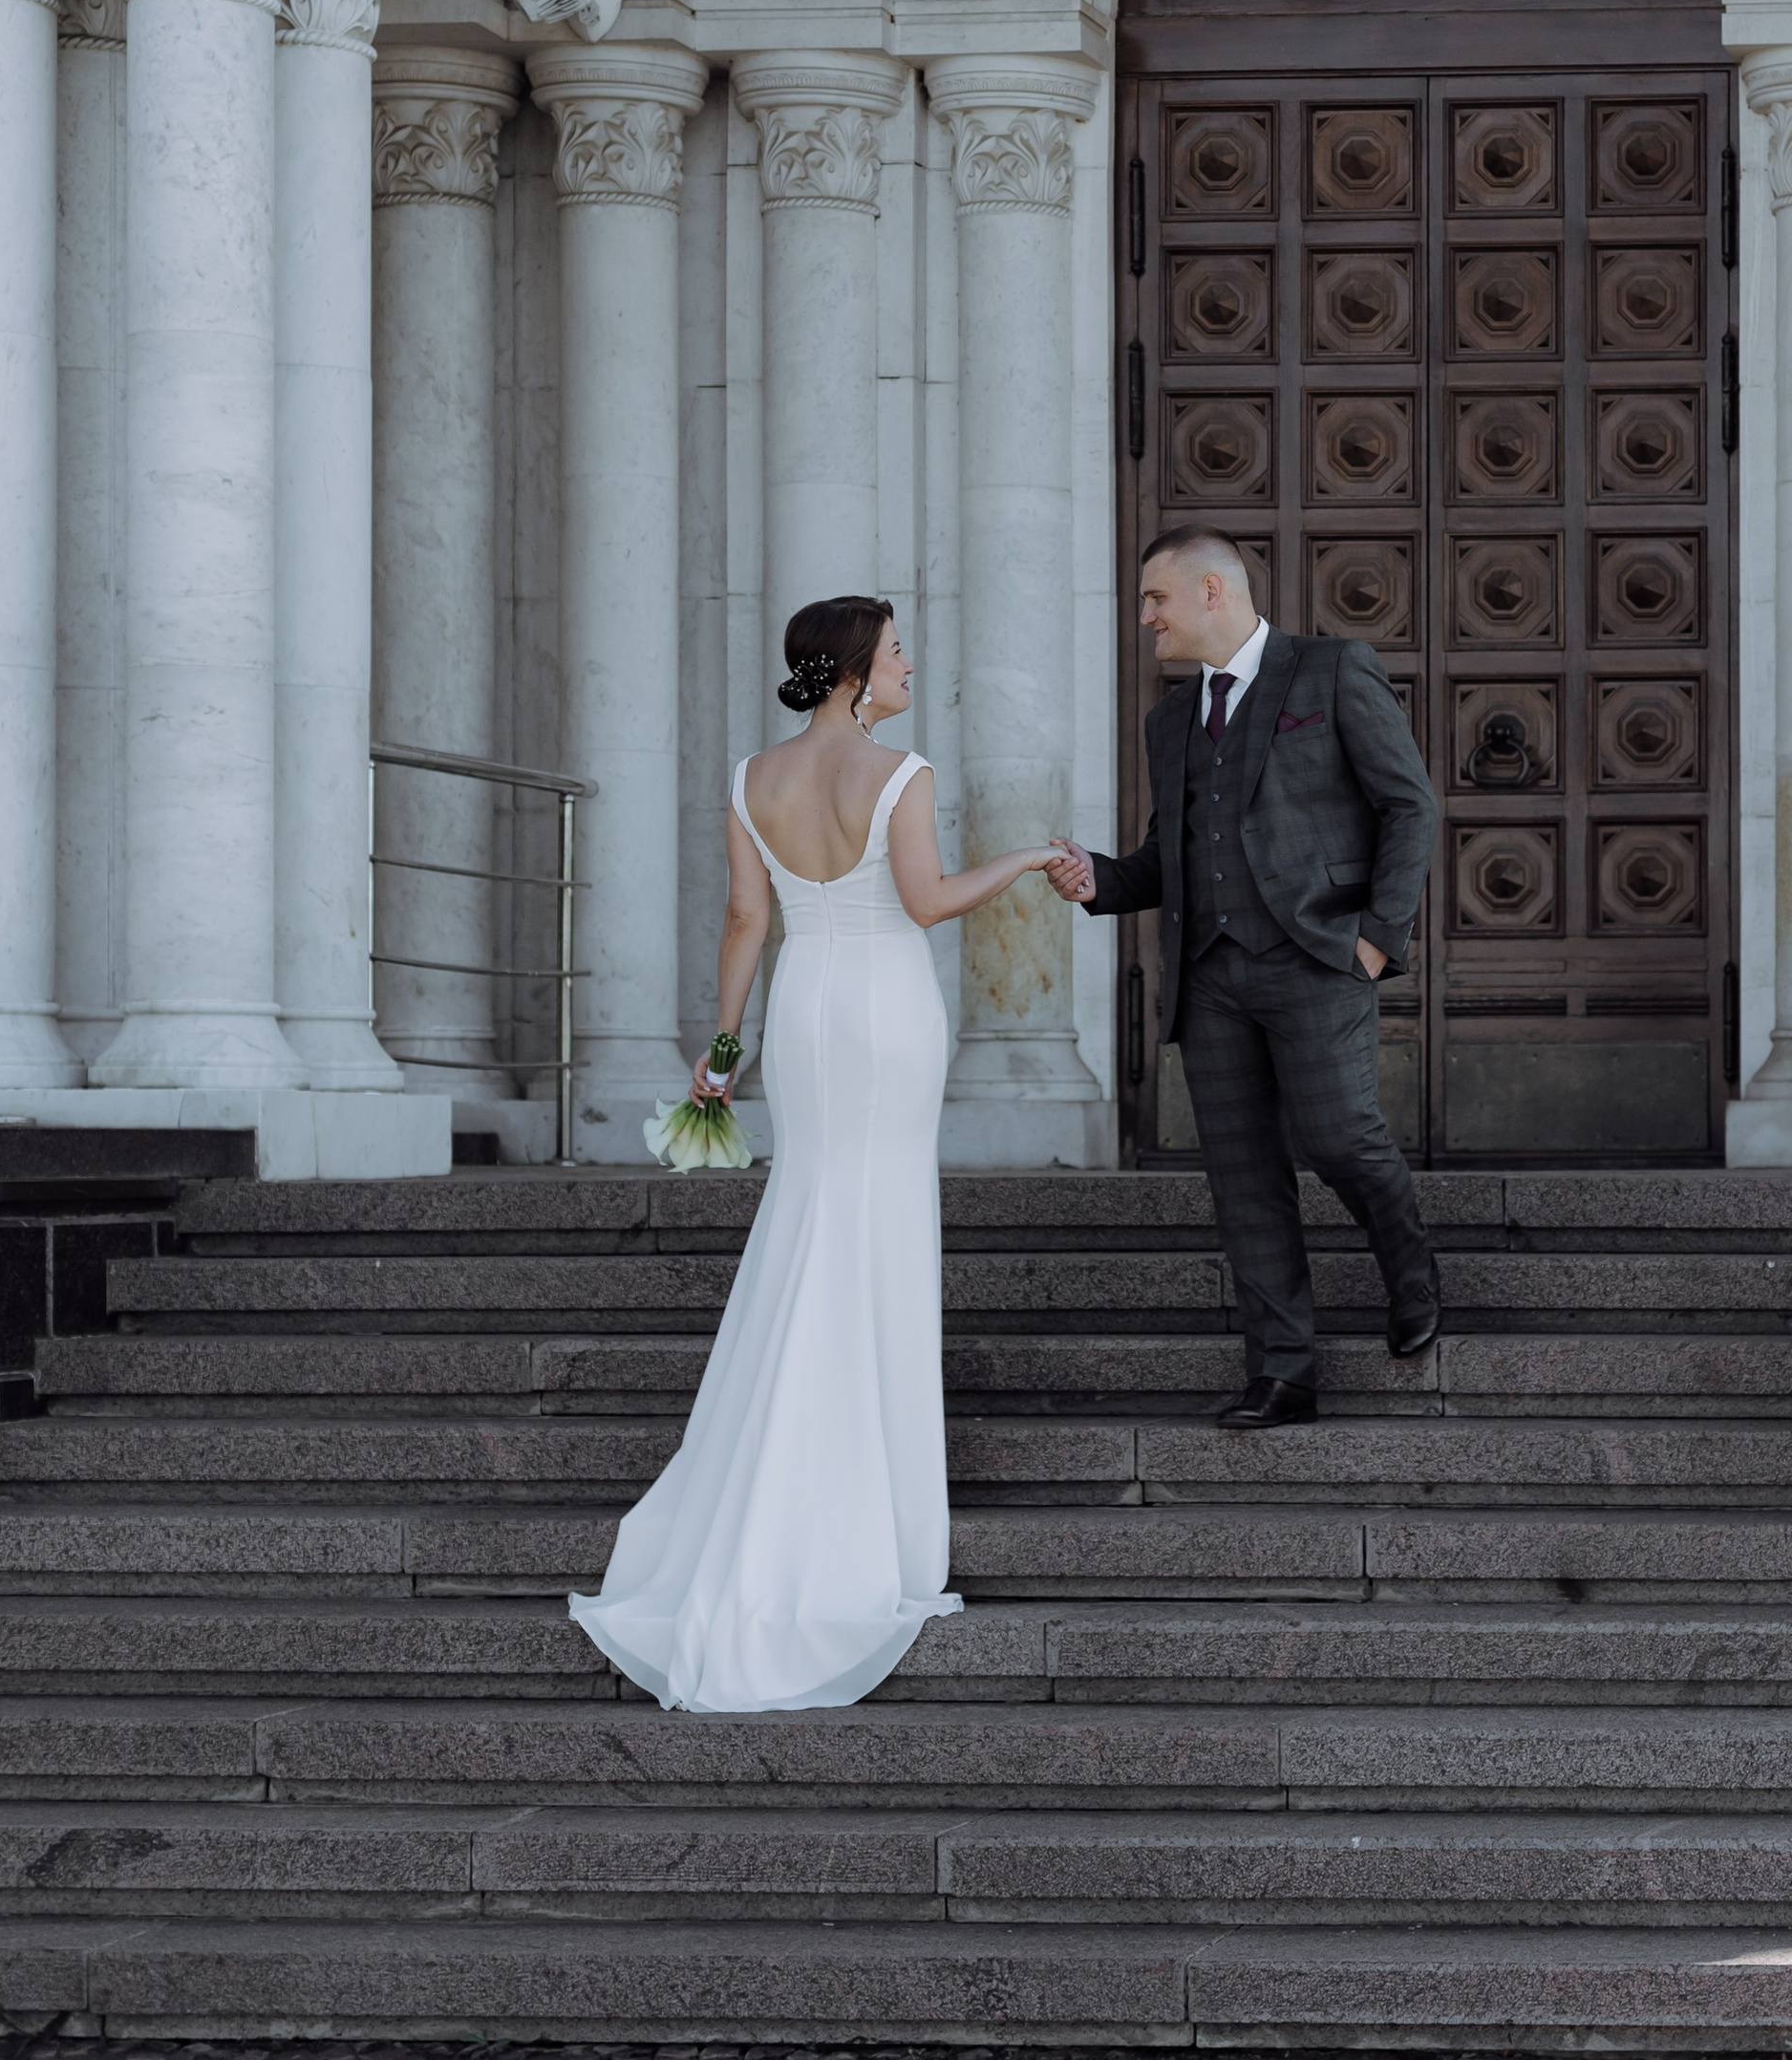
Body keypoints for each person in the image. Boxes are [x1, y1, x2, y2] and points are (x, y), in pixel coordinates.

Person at [567, 594, 1060, 1710]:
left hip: (800, 1014)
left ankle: (781, 1480)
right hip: (887, 1011)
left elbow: (747, 921)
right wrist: (1028, 858)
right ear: (852, 670)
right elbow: (928, 904)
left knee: (810, 1216)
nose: (907, 665)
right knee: (876, 1232)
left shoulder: (752, 777)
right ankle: (867, 1515)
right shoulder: (902, 772)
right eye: (894, 651)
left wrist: (721, 1052)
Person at [1043, 530, 1440, 1427]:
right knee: (1244, 1180)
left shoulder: (1333, 671)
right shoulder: (1170, 720)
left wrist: (1377, 938)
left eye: (1156, 600)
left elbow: (1408, 803)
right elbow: (1171, 856)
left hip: (1318, 958)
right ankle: (1284, 1373)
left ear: (1212, 590)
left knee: (1341, 1140)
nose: (1145, 617)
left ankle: (1410, 1272)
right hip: (1211, 977)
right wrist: (1099, 878)